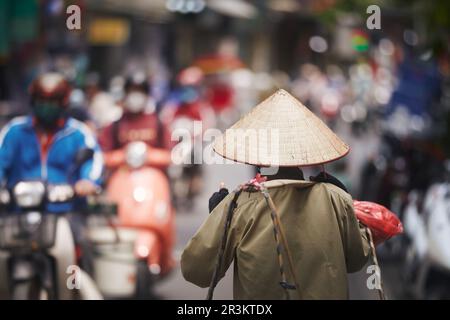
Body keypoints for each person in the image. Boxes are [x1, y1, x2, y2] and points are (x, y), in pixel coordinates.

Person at [181, 89, 370, 300]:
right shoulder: (335, 198)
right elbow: (357, 259)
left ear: (257, 157)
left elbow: (196, 271)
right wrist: (346, 204)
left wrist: (217, 218)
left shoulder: (240, 205)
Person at [0, 72, 103, 212]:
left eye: (52, 102)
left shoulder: (77, 133)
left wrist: (87, 181)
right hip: (17, 211)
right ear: (33, 101)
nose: (46, 106)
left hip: (65, 211)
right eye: (41, 101)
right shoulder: (15, 131)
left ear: (63, 103)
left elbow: (93, 159)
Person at [98, 73, 172, 169]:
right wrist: (125, 155)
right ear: (125, 94)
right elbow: (101, 157)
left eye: (140, 91)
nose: (136, 95)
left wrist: (148, 154)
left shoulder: (159, 124)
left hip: (154, 179)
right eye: (132, 91)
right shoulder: (115, 126)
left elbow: (171, 155)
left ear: (146, 95)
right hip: (122, 179)